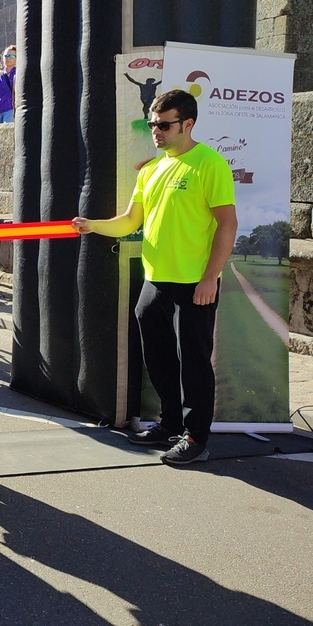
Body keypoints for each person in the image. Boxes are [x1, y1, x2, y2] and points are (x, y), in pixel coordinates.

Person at [72, 89, 237, 466]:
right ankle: (168, 424)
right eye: (152, 124)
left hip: (195, 282)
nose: (156, 131)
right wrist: (92, 225)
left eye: (164, 124)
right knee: (158, 359)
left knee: (194, 363)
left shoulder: (210, 163)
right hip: (154, 280)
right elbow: (131, 221)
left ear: (188, 124)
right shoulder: (152, 168)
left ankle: (196, 438)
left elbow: (228, 224)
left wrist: (211, 277)